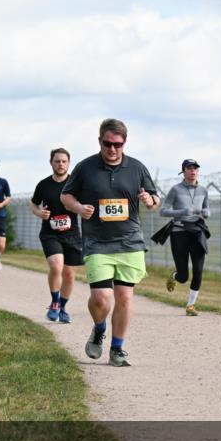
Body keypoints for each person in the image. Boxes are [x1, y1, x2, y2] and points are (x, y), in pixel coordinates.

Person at [60, 118, 160, 367]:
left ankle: (117, 349)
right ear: (99, 141)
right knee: (101, 298)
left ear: (124, 143)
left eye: (117, 144)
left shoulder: (137, 168)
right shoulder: (85, 168)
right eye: (107, 143)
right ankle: (99, 327)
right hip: (97, 243)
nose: (112, 149)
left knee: (124, 297)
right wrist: (79, 207)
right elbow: (66, 195)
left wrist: (150, 200)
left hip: (130, 242)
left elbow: (155, 198)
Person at [30, 148, 83, 323]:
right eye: (57, 161)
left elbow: (84, 205)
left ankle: (63, 307)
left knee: (69, 274)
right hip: (50, 233)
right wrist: (39, 214)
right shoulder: (44, 184)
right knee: (56, 265)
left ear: (68, 163)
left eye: (64, 161)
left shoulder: (75, 184)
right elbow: (33, 204)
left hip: (72, 234)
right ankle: (54, 303)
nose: (60, 164)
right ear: (51, 162)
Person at [160, 159, 211, 316]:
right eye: (189, 168)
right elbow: (163, 211)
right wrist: (182, 212)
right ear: (183, 171)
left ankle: (191, 305)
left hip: (197, 232)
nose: (193, 171)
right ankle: (175, 275)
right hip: (179, 232)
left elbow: (206, 208)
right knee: (183, 277)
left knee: (198, 270)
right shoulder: (175, 190)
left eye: (195, 168)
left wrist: (206, 212)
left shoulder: (203, 190)